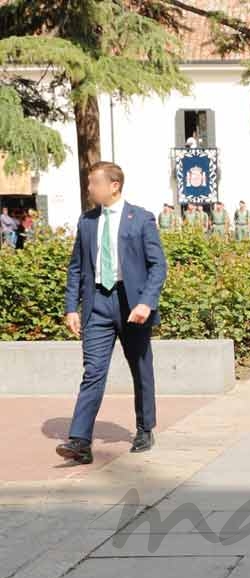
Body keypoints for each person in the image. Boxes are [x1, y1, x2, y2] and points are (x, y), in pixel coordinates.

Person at [56, 161, 167, 465]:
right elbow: (76, 267)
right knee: (93, 372)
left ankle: (145, 428)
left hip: (131, 305)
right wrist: (71, 307)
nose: (89, 188)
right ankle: (80, 441)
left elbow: (158, 265)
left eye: (94, 183)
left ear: (114, 185)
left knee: (140, 368)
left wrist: (146, 301)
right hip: (97, 306)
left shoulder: (140, 219)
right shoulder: (87, 221)